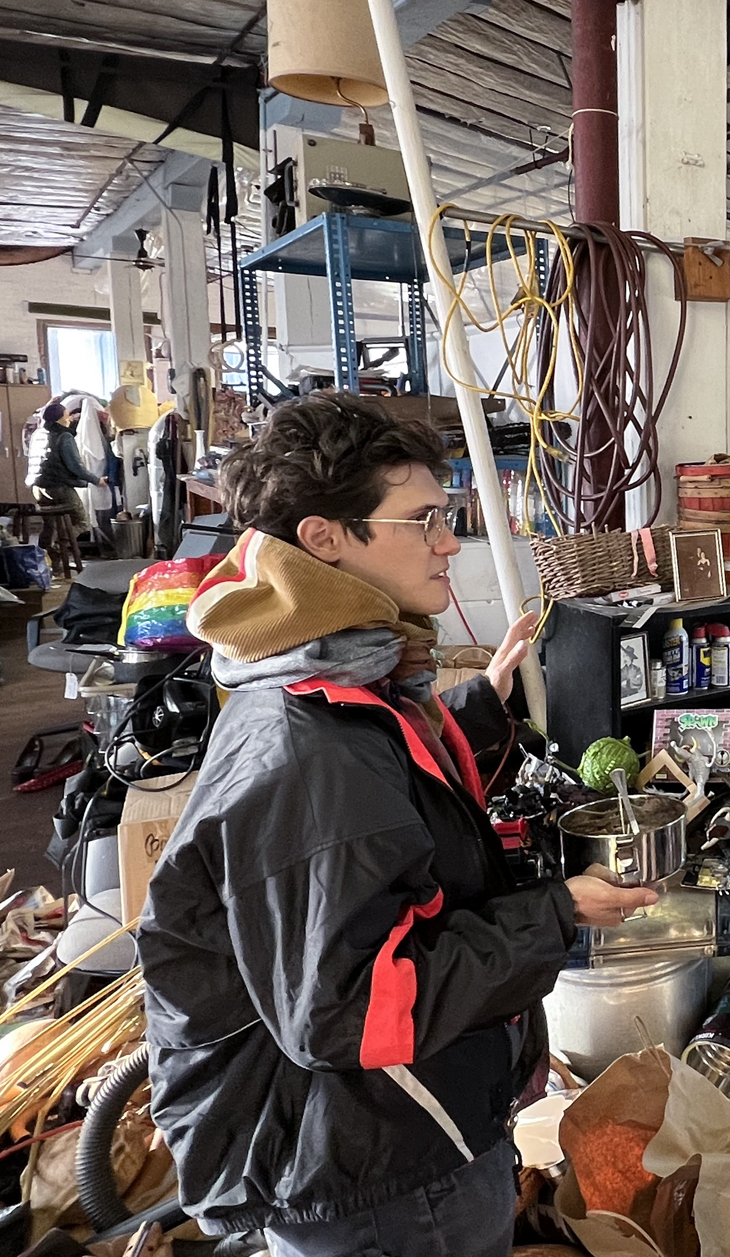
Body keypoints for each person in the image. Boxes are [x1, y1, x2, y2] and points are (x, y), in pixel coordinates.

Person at [136, 394, 645, 1257]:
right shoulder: (312, 753)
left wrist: (480, 707)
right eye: (425, 521)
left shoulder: (315, 677)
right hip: (383, 1175)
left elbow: (389, 803)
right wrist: (557, 913)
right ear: (326, 538)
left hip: (377, 1142)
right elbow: (355, 1011)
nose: (450, 543)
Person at [28, 400, 104, 530]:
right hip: (59, 487)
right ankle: (64, 541)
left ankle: (49, 544)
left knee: (50, 527)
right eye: (67, 415)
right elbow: (75, 466)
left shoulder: (38, 434)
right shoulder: (64, 436)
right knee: (82, 523)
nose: (70, 419)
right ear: (58, 419)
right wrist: (96, 480)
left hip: (38, 487)